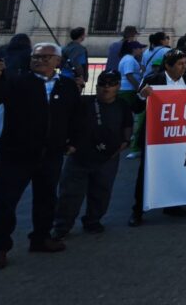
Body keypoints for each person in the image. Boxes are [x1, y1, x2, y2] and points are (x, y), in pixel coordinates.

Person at [0, 43, 82, 271]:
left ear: (58, 61)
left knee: (46, 199)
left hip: (51, 154)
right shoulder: (16, 81)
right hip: (16, 154)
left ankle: (41, 238)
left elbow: (75, 116)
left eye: (47, 57)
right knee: (5, 202)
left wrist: (73, 142)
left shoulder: (67, 86)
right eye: (36, 57)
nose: (41, 61)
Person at [50, 71, 133, 240]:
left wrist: (125, 142)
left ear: (118, 86)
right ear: (96, 85)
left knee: (101, 192)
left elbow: (127, 124)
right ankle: (62, 226)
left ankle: (93, 221)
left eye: (111, 84)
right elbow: (64, 115)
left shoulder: (122, 104)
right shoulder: (84, 102)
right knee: (69, 194)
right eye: (102, 83)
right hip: (80, 156)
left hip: (108, 158)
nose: (106, 87)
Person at [128, 50, 186, 226]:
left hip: (182, 137)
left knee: (177, 171)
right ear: (168, 66)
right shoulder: (153, 81)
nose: (184, 67)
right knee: (146, 173)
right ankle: (138, 210)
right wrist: (141, 95)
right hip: (155, 138)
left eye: (185, 63)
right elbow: (136, 107)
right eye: (180, 64)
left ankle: (172, 205)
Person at [116, 40, 146, 158]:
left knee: (126, 114)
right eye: (139, 48)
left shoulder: (128, 58)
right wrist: (138, 88)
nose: (141, 50)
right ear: (134, 49)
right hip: (128, 90)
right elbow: (129, 75)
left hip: (126, 89)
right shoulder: (129, 59)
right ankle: (125, 138)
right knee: (129, 115)